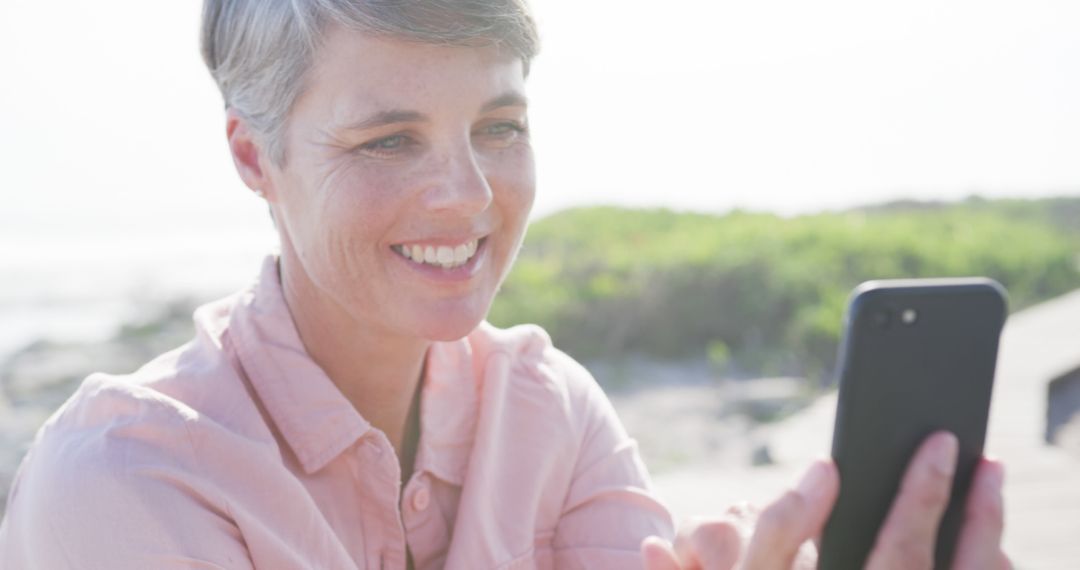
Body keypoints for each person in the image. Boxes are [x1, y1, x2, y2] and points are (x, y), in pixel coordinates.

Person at [0, 1, 1008, 568]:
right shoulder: (126, 479)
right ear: (255, 159)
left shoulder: (552, 413)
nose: (469, 196)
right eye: (390, 139)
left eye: (500, 127)